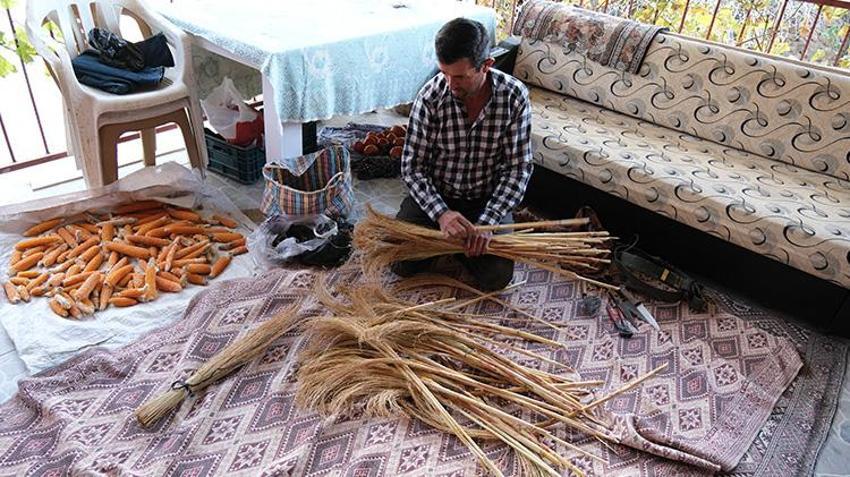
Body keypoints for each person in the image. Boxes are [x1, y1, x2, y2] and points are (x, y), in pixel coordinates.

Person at [392, 17, 533, 291]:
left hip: (485, 200)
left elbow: (519, 170)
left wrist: (488, 223)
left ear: (486, 66)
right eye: (444, 73)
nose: (449, 83)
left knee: (497, 277)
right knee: (399, 262)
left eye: (459, 76)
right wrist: (442, 214)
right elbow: (412, 167)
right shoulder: (431, 97)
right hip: (437, 198)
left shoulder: (515, 97)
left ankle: (455, 243)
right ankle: (454, 241)